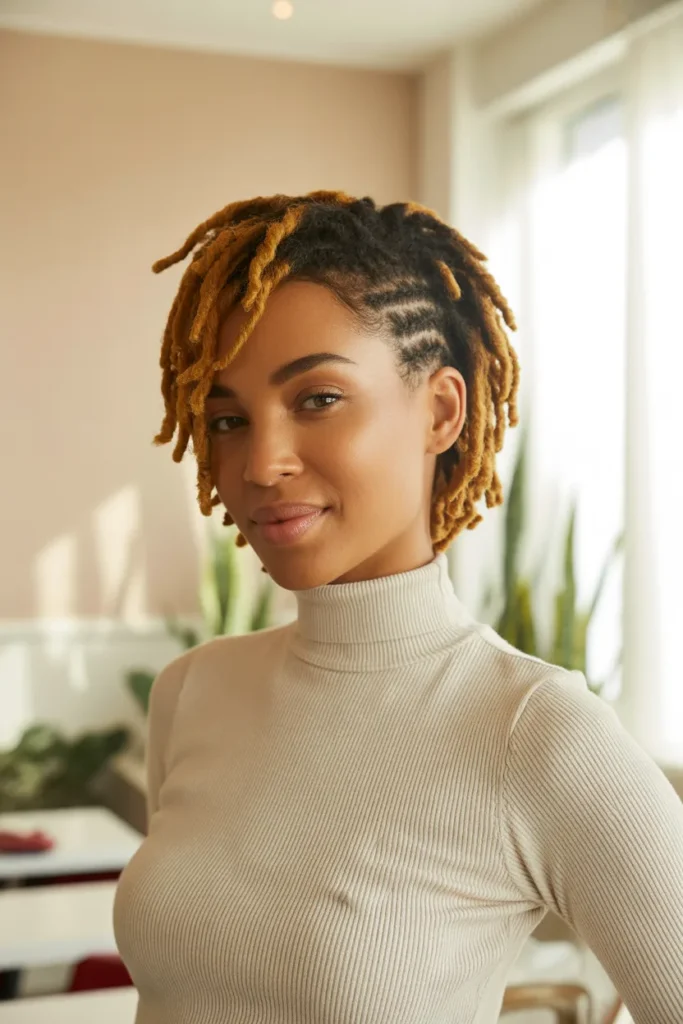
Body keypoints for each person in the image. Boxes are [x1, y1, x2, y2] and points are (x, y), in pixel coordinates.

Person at [113, 191, 683, 1023]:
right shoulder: (193, 690)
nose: (260, 463)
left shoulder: (534, 730)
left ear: (441, 410)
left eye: (317, 399)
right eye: (228, 418)